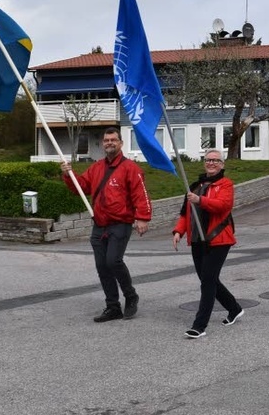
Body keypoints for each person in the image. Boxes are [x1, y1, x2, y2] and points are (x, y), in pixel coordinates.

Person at [61, 127, 151, 323]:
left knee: (113, 261)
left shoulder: (131, 168)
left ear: (121, 143)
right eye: (106, 140)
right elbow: (82, 187)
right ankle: (112, 306)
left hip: (120, 223)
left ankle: (130, 296)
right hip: (99, 225)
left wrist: (142, 217)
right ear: (103, 144)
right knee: (102, 266)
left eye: (113, 140)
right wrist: (69, 176)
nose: (109, 143)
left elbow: (140, 194)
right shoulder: (96, 167)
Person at [173, 149, 243, 339]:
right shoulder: (195, 185)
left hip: (218, 238)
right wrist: (179, 231)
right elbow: (185, 212)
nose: (211, 163)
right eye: (208, 160)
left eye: (215, 160)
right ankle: (234, 308)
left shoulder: (226, 184)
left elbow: (222, 206)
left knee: (208, 281)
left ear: (222, 164)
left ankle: (199, 325)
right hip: (197, 240)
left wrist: (200, 200)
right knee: (207, 279)